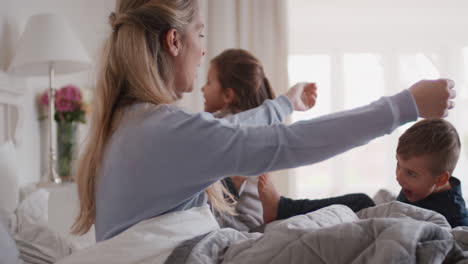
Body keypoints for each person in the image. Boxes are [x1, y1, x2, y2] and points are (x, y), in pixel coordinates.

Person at [71, 0, 456, 243]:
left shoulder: (129, 125)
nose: (203, 49)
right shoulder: (165, 129)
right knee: (371, 226)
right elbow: (288, 143)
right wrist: (404, 105)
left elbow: (239, 129)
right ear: (174, 41)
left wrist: (286, 102)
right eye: (200, 33)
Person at [201, 48, 317, 230]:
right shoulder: (259, 126)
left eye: (208, 82)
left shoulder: (223, 126)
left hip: (239, 222)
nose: (202, 88)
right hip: (254, 216)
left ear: (228, 95)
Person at [395, 119, 468, 227]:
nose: (399, 178)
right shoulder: (413, 187)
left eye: (411, 173)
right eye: (398, 165)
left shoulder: (454, 217)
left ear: (440, 179)